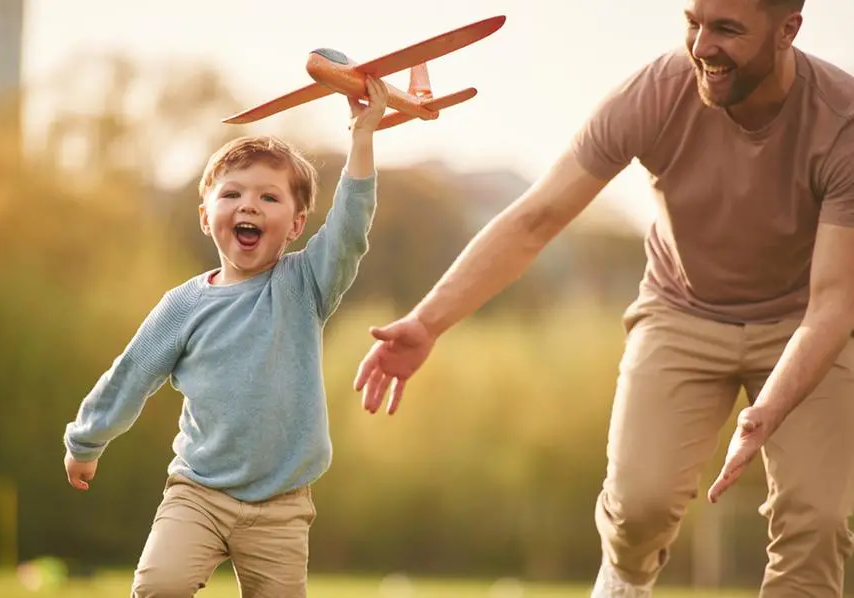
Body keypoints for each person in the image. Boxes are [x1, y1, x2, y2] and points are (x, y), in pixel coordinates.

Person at [353, 0, 854, 595]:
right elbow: (536, 217)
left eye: (727, 29)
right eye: (693, 22)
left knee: (815, 524)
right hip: (682, 313)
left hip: (804, 328)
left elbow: (832, 306)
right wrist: (428, 322)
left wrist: (768, 410)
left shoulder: (841, 122)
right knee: (637, 509)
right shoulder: (655, 93)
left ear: (787, 31)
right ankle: (623, 581)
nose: (701, 46)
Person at [62, 77, 389, 597]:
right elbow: (133, 372)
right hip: (198, 493)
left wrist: (362, 136)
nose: (249, 206)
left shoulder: (304, 285)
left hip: (282, 504)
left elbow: (350, 227)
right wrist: (87, 439)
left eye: (269, 197)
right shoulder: (183, 307)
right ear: (205, 216)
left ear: (297, 223)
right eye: (232, 194)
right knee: (159, 588)